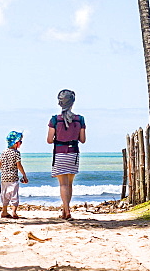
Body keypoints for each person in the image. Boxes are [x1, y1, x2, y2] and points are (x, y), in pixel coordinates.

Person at [48, 89, 86, 219]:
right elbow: (82, 140)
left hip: (59, 153)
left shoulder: (54, 120)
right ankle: (66, 211)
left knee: (63, 184)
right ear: (72, 103)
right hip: (73, 153)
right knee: (69, 184)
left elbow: (49, 140)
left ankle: (67, 210)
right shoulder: (80, 119)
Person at [0, 131, 28, 219]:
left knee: (4, 194)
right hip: (13, 177)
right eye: (20, 142)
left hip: (4, 177)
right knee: (14, 195)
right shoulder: (16, 153)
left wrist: (3, 171)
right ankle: (14, 212)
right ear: (16, 143)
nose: (21, 144)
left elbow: (0, 163)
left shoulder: (4, 152)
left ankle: (4, 211)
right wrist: (24, 175)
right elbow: (19, 165)